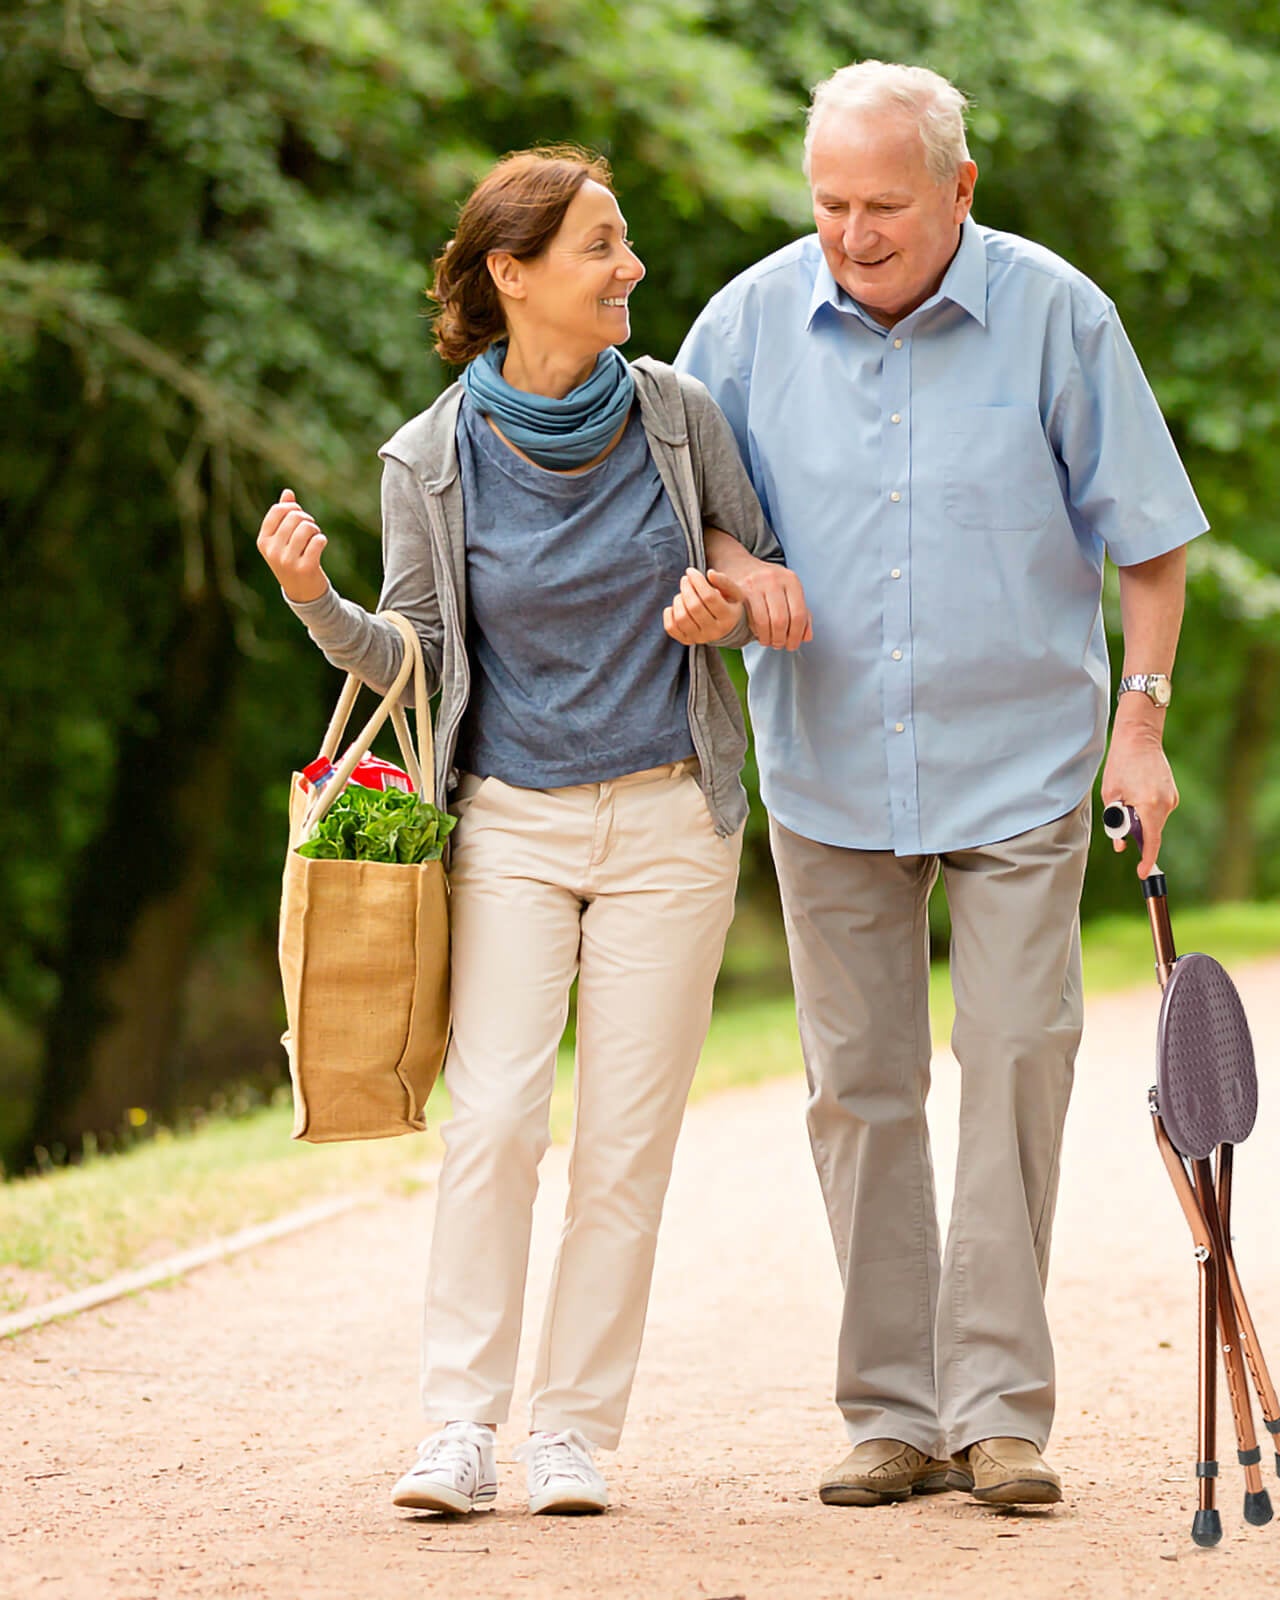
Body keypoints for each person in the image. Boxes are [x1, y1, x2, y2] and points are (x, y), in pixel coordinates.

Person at [678, 62, 1208, 1508]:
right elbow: (689, 528)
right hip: (827, 765)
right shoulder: (738, 326)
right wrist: (737, 576)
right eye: (832, 204)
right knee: (857, 1087)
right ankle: (895, 1414)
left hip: (1021, 762)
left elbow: (1150, 541)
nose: (853, 234)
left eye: (886, 207)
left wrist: (1141, 728)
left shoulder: (1059, 316)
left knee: (1021, 1056)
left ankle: (999, 1413)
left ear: (960, 191)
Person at [256, 146, 806, 1518]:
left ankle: (571, 1430)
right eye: (600, 247)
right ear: (513, 274)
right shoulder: (430, 458)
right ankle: (459, 1423)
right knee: (496, 1119)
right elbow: (417, 658)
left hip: (672, 817)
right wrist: (316, 601)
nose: (629, 270)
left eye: (622, 244)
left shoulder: (678, 415)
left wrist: (721, 612)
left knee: (627, 1140)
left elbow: (749, 566)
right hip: (508, 823)